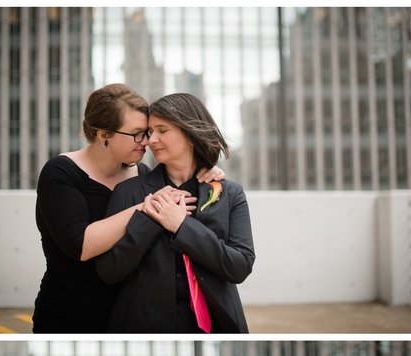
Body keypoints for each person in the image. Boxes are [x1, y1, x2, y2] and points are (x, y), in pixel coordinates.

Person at [33, 83, 223, 334]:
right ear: (103, 135)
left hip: (128, 315)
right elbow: (81, 245)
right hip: (70, 313)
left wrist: (207, 171)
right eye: (137, 133)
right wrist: (147, 207)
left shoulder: (143, 175)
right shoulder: (60, 173)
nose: (147, 142)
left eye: (147, 132)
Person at [95, 93, 255, 333]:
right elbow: (108, 271)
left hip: (216, 324)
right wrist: (150, 218)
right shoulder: (128, 192)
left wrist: (183, 226)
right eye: (150, 132)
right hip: (142, 324)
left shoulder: (230, 193)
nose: (151, 140)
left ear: (190, 134)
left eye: (162, 130)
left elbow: (240, 265)